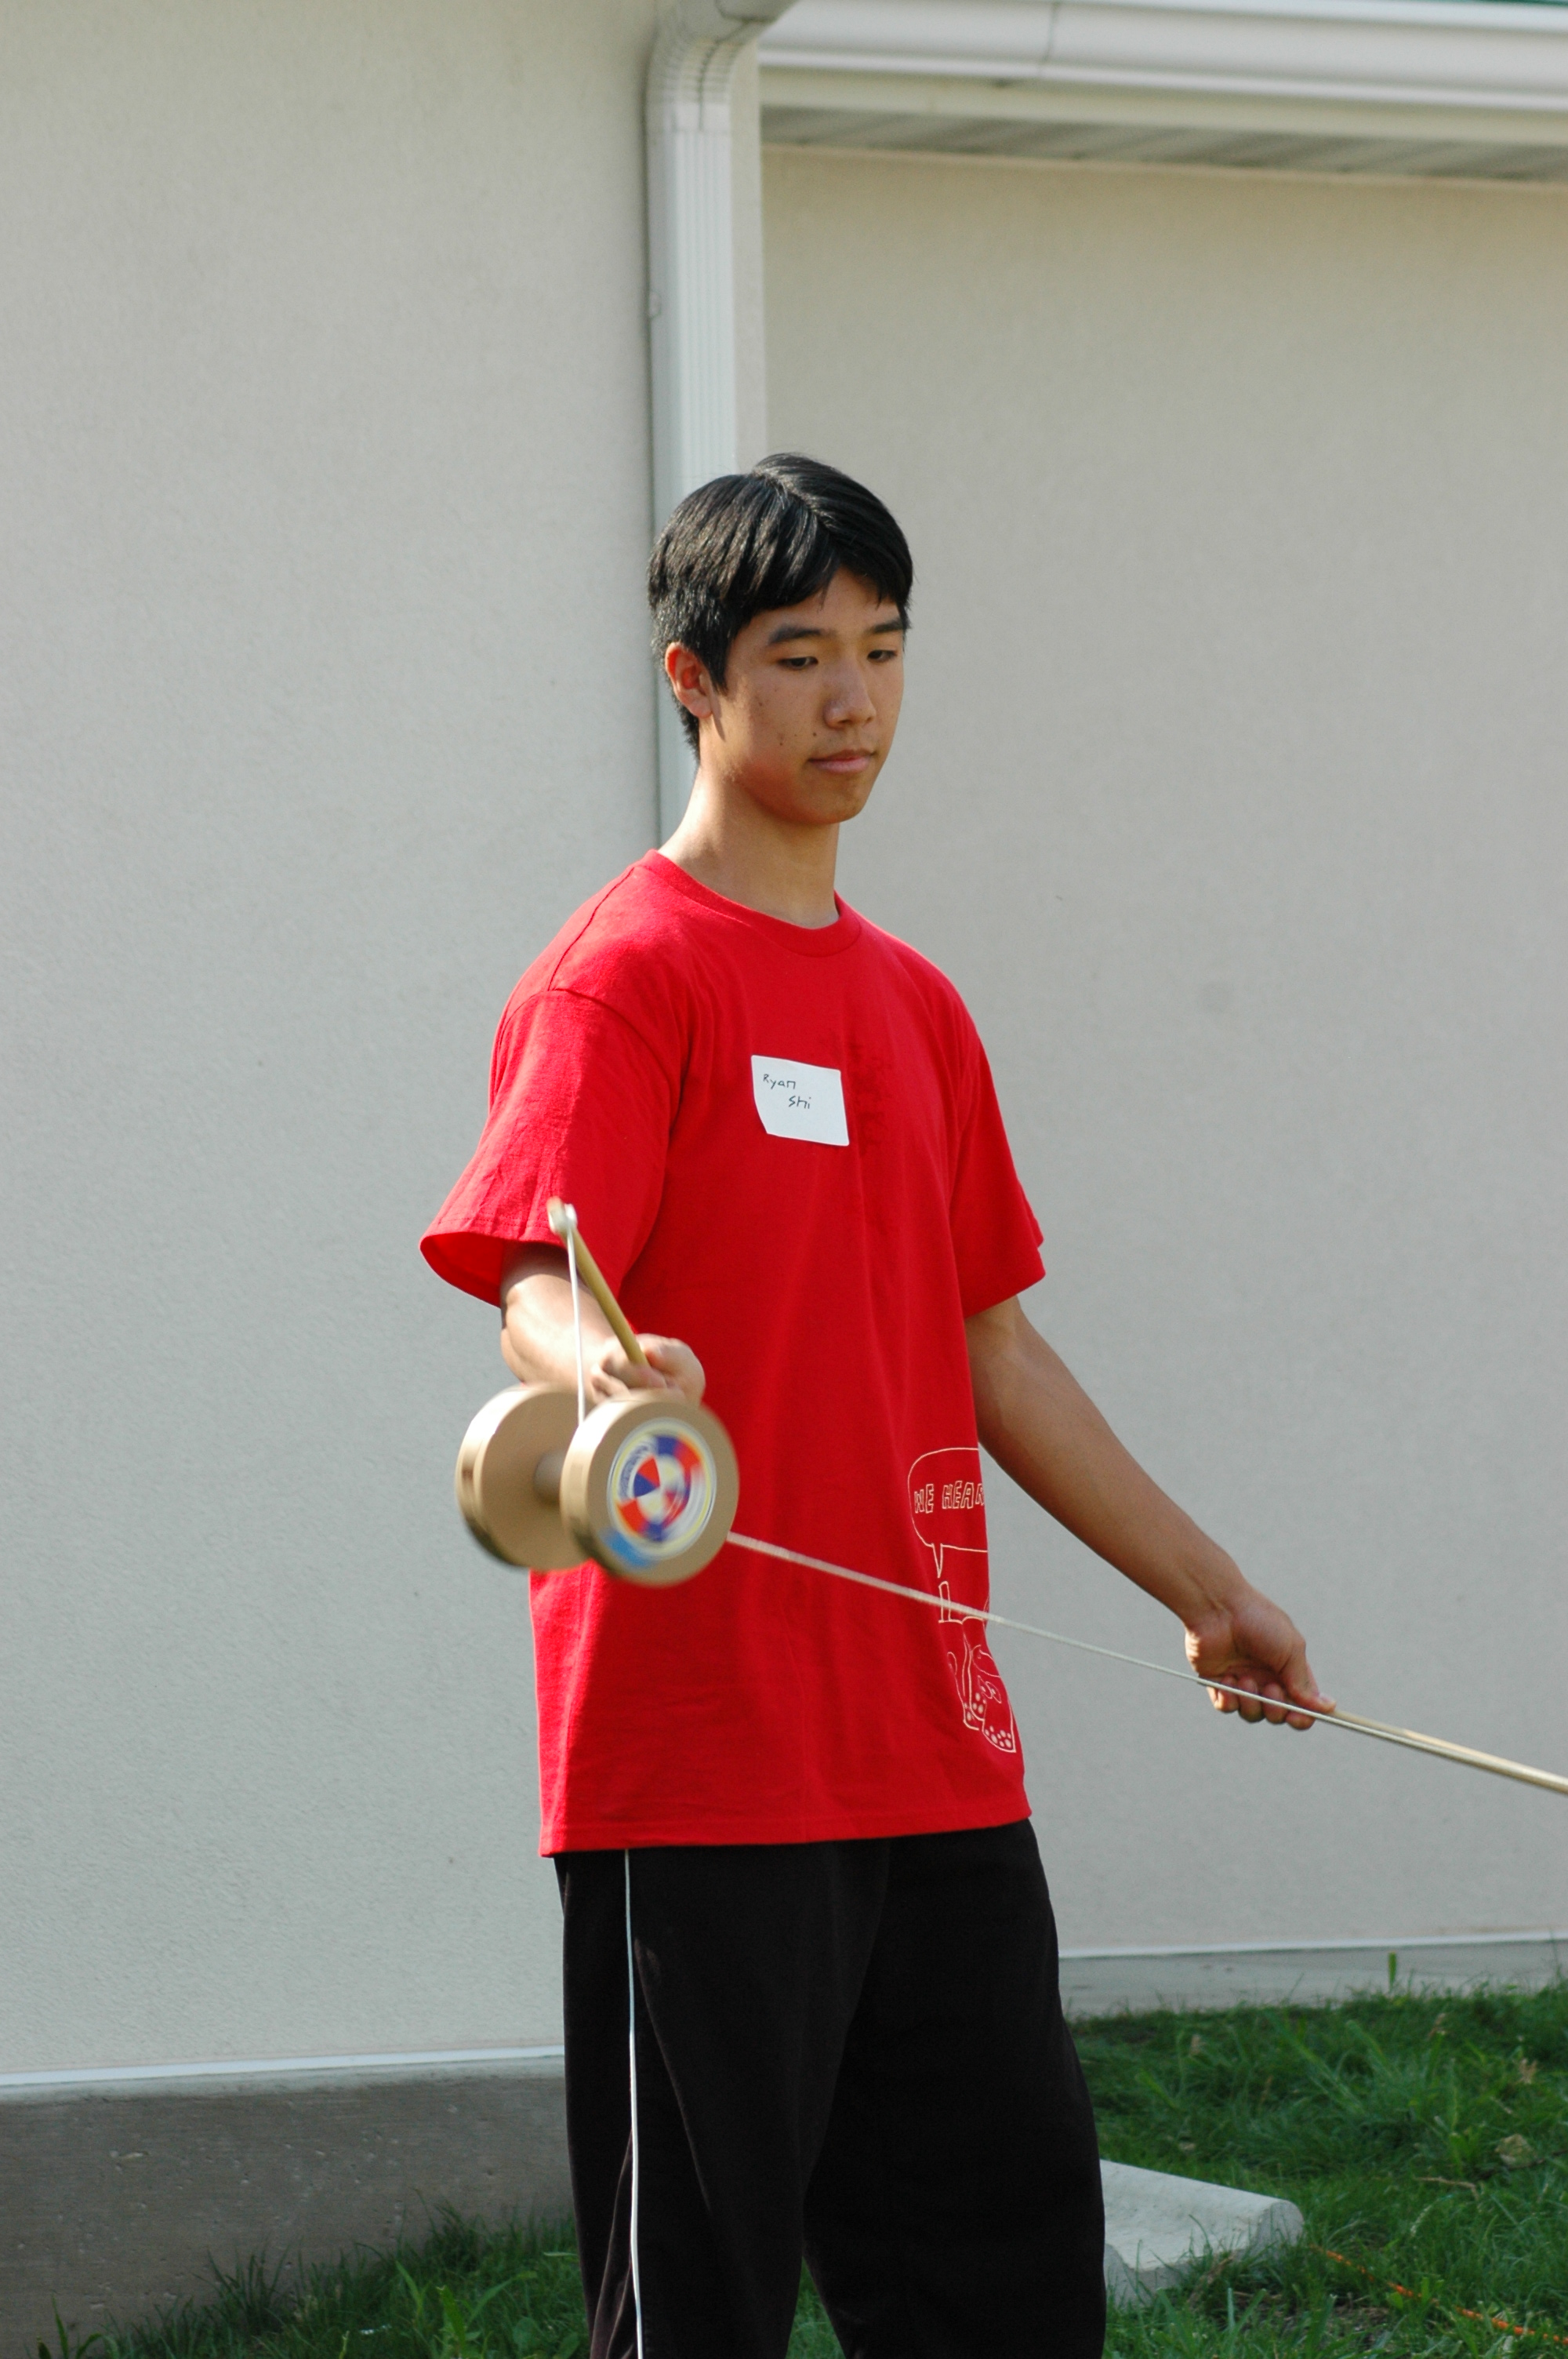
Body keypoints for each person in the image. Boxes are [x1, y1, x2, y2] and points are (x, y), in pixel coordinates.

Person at [421, 453, 1330, 2359]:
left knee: (1004, 2289)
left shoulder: (917, 1009)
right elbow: (531, 1276)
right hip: (700, 1761)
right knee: (696, 2314)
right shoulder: (621, 978)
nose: (853, 700)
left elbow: (994, 1348)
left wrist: (1207, 1588)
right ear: (692, 679)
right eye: (800, 655)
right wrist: (608, 1367)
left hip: (933, 1752)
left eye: (884, 650)